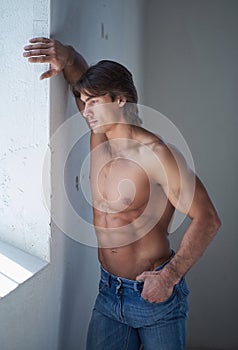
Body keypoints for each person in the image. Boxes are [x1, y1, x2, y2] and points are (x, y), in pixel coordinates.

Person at [23, 37, 221, 350]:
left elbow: (208, 218)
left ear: (120, 100)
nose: (85, 110)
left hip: (154, 297)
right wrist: (66, 54)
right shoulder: (98, 138)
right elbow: (78, 75)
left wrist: (168, 278)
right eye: (83, 102)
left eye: (93, 102)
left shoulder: (156, 155)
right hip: (108, 294)